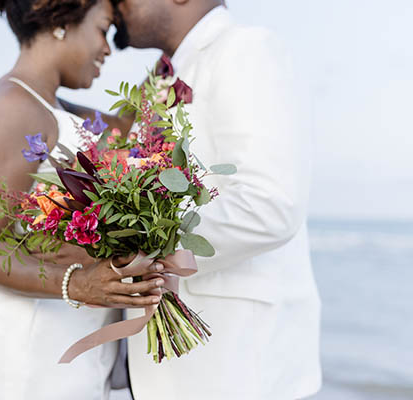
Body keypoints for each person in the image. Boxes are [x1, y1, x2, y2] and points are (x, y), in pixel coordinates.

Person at [0, 1, 165, 399]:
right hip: (15, 351)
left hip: (58, 349)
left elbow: (140, 122)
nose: (108, 49)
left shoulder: (56, 109)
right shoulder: (11, 107)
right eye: (103, 30)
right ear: (62, 22)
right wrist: (78, 283)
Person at [110, 1, 323, 399]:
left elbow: (270, 204)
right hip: (170, 369)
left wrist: (142, 241)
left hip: (239, 366)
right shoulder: (154, 83)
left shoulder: (246, 49)